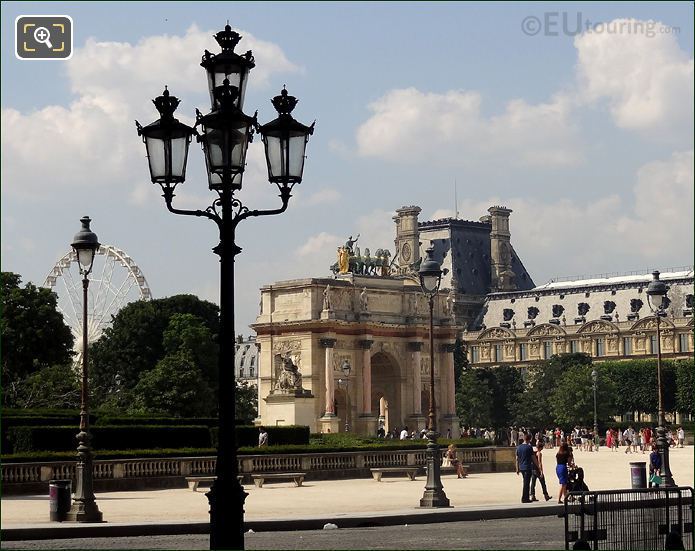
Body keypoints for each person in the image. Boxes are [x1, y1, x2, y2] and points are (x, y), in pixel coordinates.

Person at [516, 432, 535, 503]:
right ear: (530, 439)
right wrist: (538, 465)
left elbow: (517, 459)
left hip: (521, 467)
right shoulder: (529, 447)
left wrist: (517, 468)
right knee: (526, 483)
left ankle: (525, 497)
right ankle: (525, 498)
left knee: (525, 482)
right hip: (527, 467)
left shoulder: (519, 447)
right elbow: (533, 458)